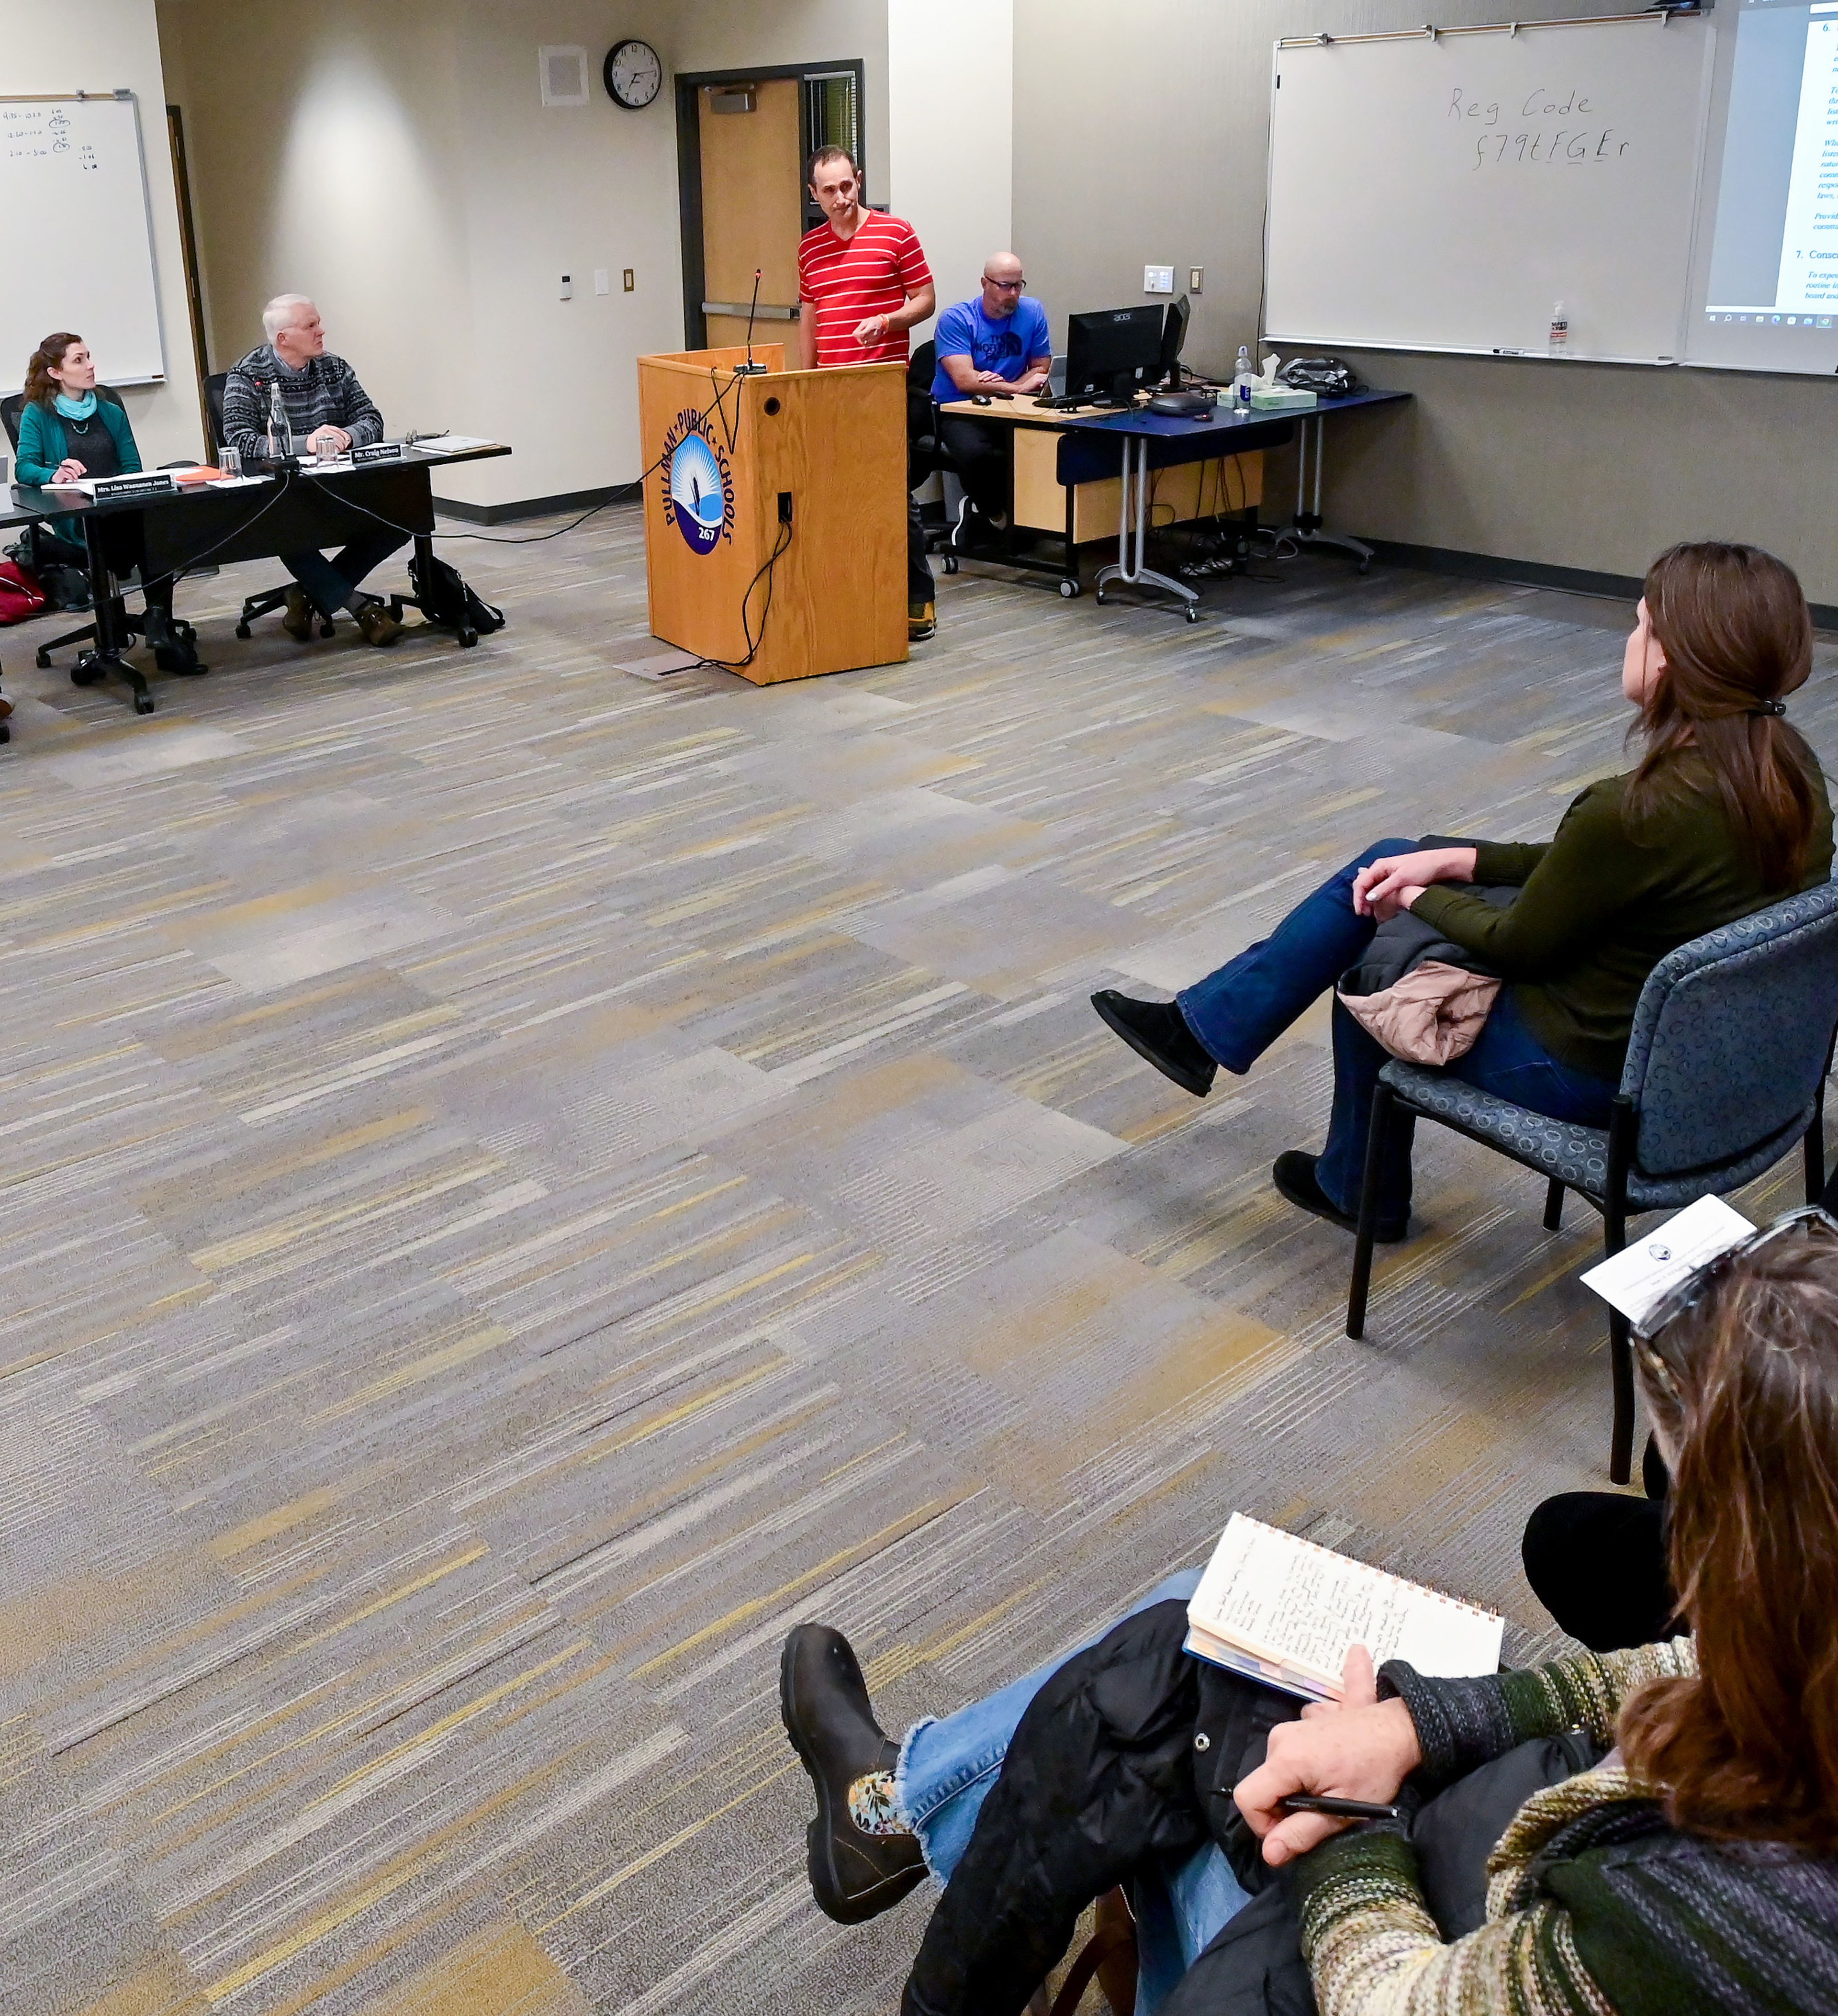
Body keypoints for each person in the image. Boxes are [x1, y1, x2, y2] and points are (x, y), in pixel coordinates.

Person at [782, 1205, 1838, 2014]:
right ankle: (898, 1814)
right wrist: (1420, 1723)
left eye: (1689, 1522)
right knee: (1191, 1630)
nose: (1677, 1569)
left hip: (1400, 1944)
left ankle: (897, 1814)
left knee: (1156, 1676)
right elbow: (1681, 1668)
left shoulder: (1733, 1923)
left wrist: (1350, 1826)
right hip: (1505, 1837)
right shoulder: (1802, 1691)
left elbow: (1399, 2000)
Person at [1090, 541, 1832, 1243]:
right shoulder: (1788, 770)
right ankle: (1200, 1031)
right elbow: (1596, 867)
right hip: (1720, 1065)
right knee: (1398, 857)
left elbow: (1523, 945)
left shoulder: (1633, 811)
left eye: (1638, 625)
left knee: (1372, 985)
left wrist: (1413, 900)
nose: (1628, 641)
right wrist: (1452, 862)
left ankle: (1357, 1189)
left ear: (1671, 658)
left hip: (1594, 1068)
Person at [796, 146, 938, 643]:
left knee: (893, 496)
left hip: (882, 388)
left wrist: (889, 320)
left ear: (858, 180)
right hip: (831, 391)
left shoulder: (895, 233)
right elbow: (811, 317)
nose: (841, 197)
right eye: (829, 191)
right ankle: (855, 593)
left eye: (847, 186)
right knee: (838, 498)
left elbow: (925, 299)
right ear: (814, 195)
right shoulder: (809, 249)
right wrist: (805, 381)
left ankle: (918, 600)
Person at [220, 295, 404, 647]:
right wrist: (305, 442)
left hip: (338, 483)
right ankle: (363, 609)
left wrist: (347, 436)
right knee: (285, 528)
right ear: (283, 338)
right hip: (282, 492)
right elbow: (239, 440)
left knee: (401, 520)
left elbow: (372, 420)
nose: (322, 331)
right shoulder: (247, 374)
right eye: (311, 326)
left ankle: (305, 594)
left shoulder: (335, 368)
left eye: (318, 322)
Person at [13, 331, 202, 672]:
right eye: (79, 360)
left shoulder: (110, 411)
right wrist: (54, 473)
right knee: (144, 535)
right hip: (77, 516)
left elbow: (131, 466)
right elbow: (25, 467)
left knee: (154, 524)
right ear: (56, 373)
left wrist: (120, 488)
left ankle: (158, 621)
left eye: (89, 356)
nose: (90, 365)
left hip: (118, 507)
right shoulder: (37, 414)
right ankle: (157, 628)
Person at [930, 253, 1053, 546]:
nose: (1013, 294)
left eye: (1018, 286)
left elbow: (1041, 367)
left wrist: (1006, 388)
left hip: (1010, 405)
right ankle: (994, 515)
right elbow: (965, 381)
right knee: (977, 454)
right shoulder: (956, 319)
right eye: (1005, 286)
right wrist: (1019, 387)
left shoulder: (1032, 311)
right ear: (985, 284)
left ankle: (1037, 521)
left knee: (1046, 445)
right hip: (958, 408)